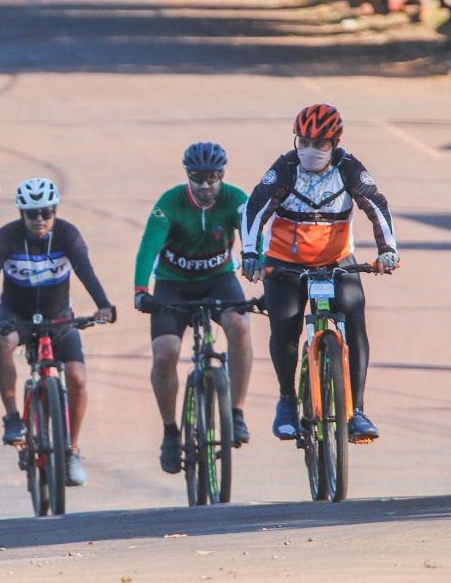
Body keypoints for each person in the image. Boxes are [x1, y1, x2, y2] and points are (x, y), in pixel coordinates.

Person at [241, 104, 399, 443]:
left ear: (336, 142)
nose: (310, 150)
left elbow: (376, 205)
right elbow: (255, 209)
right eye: (304, 142)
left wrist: (387, 250)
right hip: (284, 263)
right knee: (285, 325)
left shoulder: (349, 169)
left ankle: (355, 411)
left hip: (337, 260)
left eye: (321, 144)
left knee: (354, 320)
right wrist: (250, 256)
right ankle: (287, 400)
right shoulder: (284, 168)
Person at [0, 177, 114, 487]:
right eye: (32, 214)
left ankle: (71, 450)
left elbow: (85, 271)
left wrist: (104, 305)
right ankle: (12, 417)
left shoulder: (67, 234)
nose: (39, 220)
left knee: (76, 378)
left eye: (46, 213)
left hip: (59, 317)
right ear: (21, 214)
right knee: (1, 342)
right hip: (17, 314)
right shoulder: (6, 237)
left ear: (55, 211)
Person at [133, 142, 254, 475]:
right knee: (165, 353)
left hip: (219, 280)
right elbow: (148, 248)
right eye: (197, 178)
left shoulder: (236, 199)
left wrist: (262, 269)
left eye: (212, 178)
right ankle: (171, 432)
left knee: (240, 328)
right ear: (188, 176)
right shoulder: (169, 203)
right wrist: (141, 290)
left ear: (222, 176)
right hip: (174, 285)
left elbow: (252, 235)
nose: (205, 186)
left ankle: (237, 413)